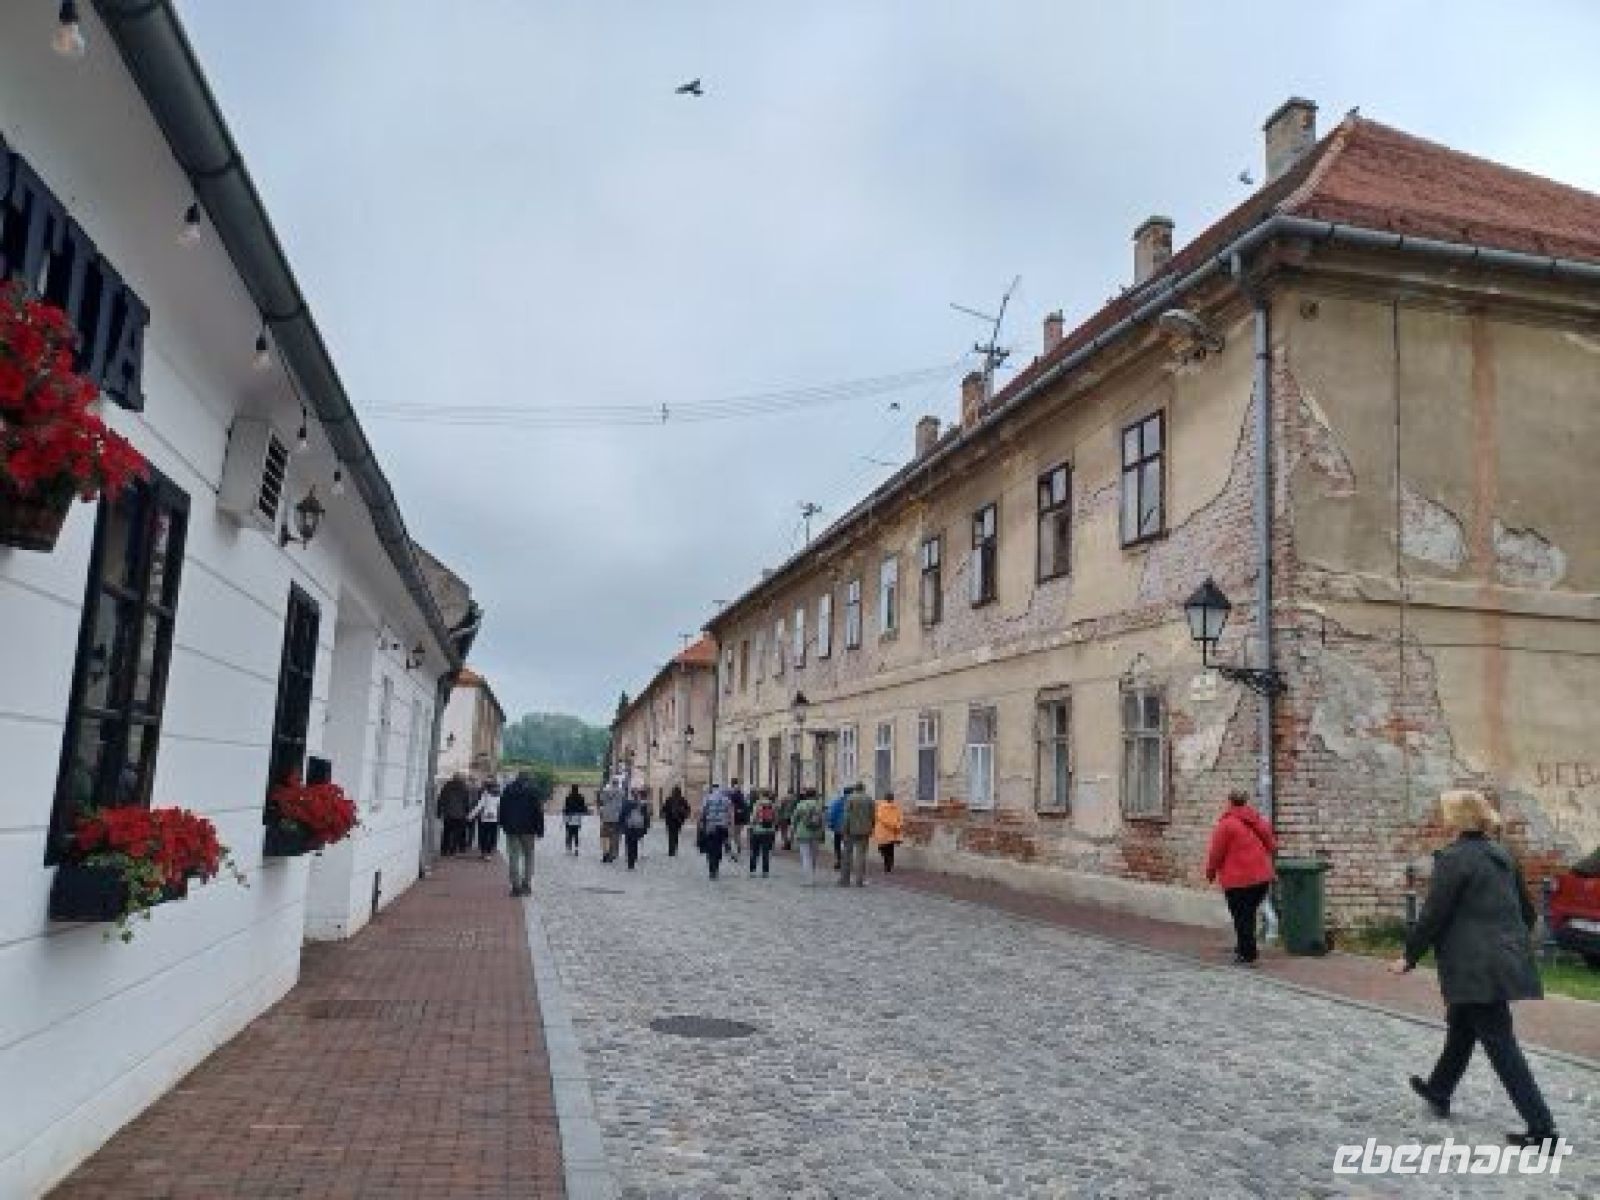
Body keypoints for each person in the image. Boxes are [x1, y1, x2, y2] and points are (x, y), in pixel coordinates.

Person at [1391, 790, 1558, 1148]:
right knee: (1462, 1025)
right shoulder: (1503, 855)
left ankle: (1542, 1128)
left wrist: (1409, 955)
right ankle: (1439, 1089)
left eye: (1445, 811)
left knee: (1501, 1045)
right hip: (1499, 961)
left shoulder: (1454, 859)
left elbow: (1434, 913)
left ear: (1457, 818)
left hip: (1475, 967)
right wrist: (1508, 943)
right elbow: (1527, 913)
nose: (1442, 817)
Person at [1204, 789, 1277, 965]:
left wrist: (1210, 872)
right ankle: (1244, 946)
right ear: (1245, 802)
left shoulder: (1226, 824)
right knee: (1248, 913)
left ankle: (1247, 953)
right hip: (1261, 878)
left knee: (1241, 916)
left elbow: (1216, 853)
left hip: (1238, 880)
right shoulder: (1256, 820)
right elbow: (1272, 844)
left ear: (1229, 802)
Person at [499, 770, 546, 897]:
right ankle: (526, 885)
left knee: (513, 857)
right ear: (528, 779)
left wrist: (503, 824)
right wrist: (540, 830)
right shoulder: (533, 791)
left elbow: (502, 808)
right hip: (529, 830)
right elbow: (538, 812)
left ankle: (516, 886)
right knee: (529, 856)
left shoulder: (508, 790)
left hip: (512, 829)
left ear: (517, 778)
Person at [840, 784, 875, 887]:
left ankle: (845, 879)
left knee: (847, 854)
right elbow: (873, 816)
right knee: (861, 855)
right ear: (863, 789)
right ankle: (859, 880)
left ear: (855, 789)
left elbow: (846, 816)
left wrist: (844, 829)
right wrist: (871, 827)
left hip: (850, 830)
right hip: (864, 830)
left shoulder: (850, 799)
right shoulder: (869, 799)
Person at [791, 788, 826, 885]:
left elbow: (794, 819)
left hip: (803, 833)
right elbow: (823, 820)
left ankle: (808, 879)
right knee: (814, 856)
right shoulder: (819, 805)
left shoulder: (801, 805)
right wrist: (823, 832)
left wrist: (793, 830)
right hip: (816, 833)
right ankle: (812, 876)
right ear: (815, 795)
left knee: (806, 856)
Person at [699, 784, 734, 880]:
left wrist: (701, 825)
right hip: (722, 827)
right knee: (718, 847)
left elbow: (702, 813)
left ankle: (712, 869)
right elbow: (731, 815)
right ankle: (716, 867)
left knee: (710, 848)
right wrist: (730, 827)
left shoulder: (708, 798)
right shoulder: (727, 800)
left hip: (710, 827)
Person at [437, 773, 471, 857]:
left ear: (452, 778)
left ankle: (444, 850)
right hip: (459, 814)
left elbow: (441, 800)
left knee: (446, 832)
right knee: (456, 833)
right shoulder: (464, 788)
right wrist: (467, 813)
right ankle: (453, 850)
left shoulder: (447, 787)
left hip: (448, 814)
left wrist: (439, 812)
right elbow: (466, 802)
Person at [470, 776, 502, 861]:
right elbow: (500, 807)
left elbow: (479, 806)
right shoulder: (499, 795)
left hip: (485, 818)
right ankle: (489, 853)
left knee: (484, 836)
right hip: (494, 818)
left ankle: (484, 853)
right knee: (492, 836)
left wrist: (471, 816)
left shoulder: (485, 794)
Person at [747, 790, 778, 878]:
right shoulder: (773, 805)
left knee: (755, 851)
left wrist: (751, 826)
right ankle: (765, 871)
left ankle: (753, 870)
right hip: (769, 831)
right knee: (766, 852)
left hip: (757, 830)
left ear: (761, 795)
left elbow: (753, 817)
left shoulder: (757, 804)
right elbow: (776, 819)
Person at [618, 789, 651, 870]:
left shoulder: (627, 803)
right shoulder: (641, 804)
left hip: (629, 826)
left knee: (629, 843)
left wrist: (621, 825)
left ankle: (630, 862)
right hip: (638, 826)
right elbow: (646, 816)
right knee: (635, 842)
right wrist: (646, 826)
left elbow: (622, 815)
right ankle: (634, 857)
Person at [873, 791, 905, 874]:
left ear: (885, 798)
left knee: (883, 849)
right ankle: (889, 865)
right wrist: (897, 825)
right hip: (892, 831)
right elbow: (900, 818)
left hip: (883, 832)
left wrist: (892, 825)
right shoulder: (896, 807)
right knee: (890, 849)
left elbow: (881, 818)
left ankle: (887, 866)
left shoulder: (881, 807)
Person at [598, 778, 624, 864]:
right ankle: (612, 854)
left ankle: (605, 853)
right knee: (614, 836)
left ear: (612, 783)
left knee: (605, 836)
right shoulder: (621, 792)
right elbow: (622, 805)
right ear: (618, 783)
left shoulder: (605, 791)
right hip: (616, 817)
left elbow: (602, 801)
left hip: (606, 816)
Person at [662, 785, 692, 857]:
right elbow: (688, 809)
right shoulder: (681, 800)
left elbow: (664, 809)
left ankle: (672, 850)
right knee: (675, 835)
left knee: (672, 835)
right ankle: (673, 849)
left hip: (672, 820)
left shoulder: (670, 800)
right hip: (677, 821)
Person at [826, 786, 849, 870]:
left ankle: (838, 860)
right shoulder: (852, 802)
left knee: (837, 844)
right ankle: (847, 860)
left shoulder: (838, 801)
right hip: (848, 827)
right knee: (847, 844)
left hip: (838, 827)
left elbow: (832, 813)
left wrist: (831, 823)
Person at [562, 784, 588, 855]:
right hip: (577, 816)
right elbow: (583, 808)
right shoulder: (581, 797)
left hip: (569, 816)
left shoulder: (568, 797)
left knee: (569, 832)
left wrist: (564, 816)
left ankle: (569, 847)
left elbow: (566, 808)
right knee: (576, 833)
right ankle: (576, 847)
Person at [727, 778, 747, 863]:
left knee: (732, 835)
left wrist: (730, 818)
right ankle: (738, 850)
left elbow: (731, 807)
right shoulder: (742, 794)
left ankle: (734, 853)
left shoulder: (732, 794)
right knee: (737, 834)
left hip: (734, 817)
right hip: (741, 817)